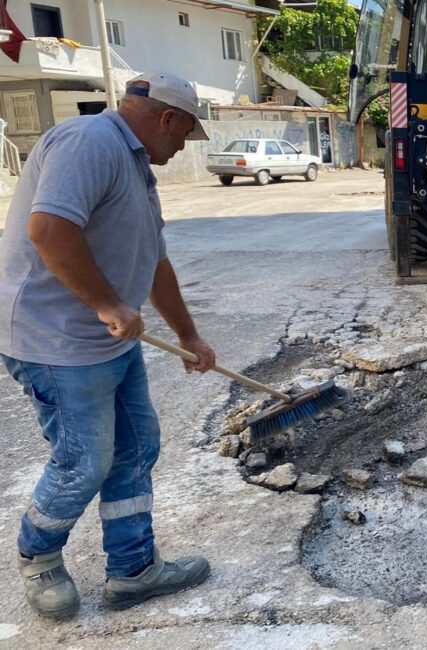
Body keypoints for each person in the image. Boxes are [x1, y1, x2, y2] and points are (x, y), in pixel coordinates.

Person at [0, 72, 217, 619]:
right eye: (187, 133)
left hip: (107, 342)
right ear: (167, 118)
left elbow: (154, 260)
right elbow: (48, 229)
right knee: (83, 462)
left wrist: (187, 333)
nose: (184, 147)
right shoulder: (88, 142)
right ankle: (39, 558)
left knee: (137, 448)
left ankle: (134, 569)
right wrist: (105, 304)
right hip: (55, 340)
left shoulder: (137, 167)